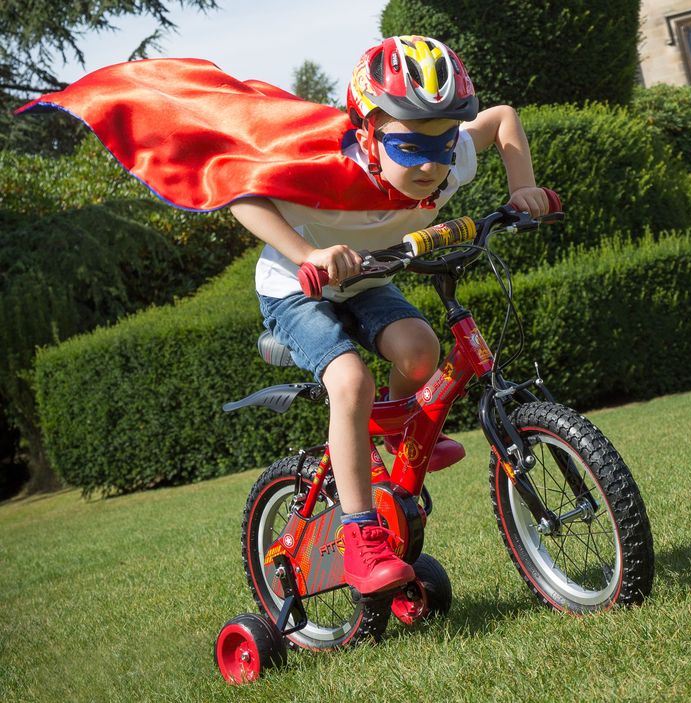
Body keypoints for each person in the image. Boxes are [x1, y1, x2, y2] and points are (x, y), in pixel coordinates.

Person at [16, 34, 552, 596]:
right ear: (368, 133)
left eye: (441, 146)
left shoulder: (448, 158)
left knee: (421, 349)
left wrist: (523, 189)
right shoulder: (325, 171)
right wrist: (307, 255)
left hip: (365, 278)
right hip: (296, 289)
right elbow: (241, 192)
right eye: (410, 148)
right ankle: (361, 538)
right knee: (350, 379)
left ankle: (396, 442)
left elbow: (501, 120)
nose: (430, 164)